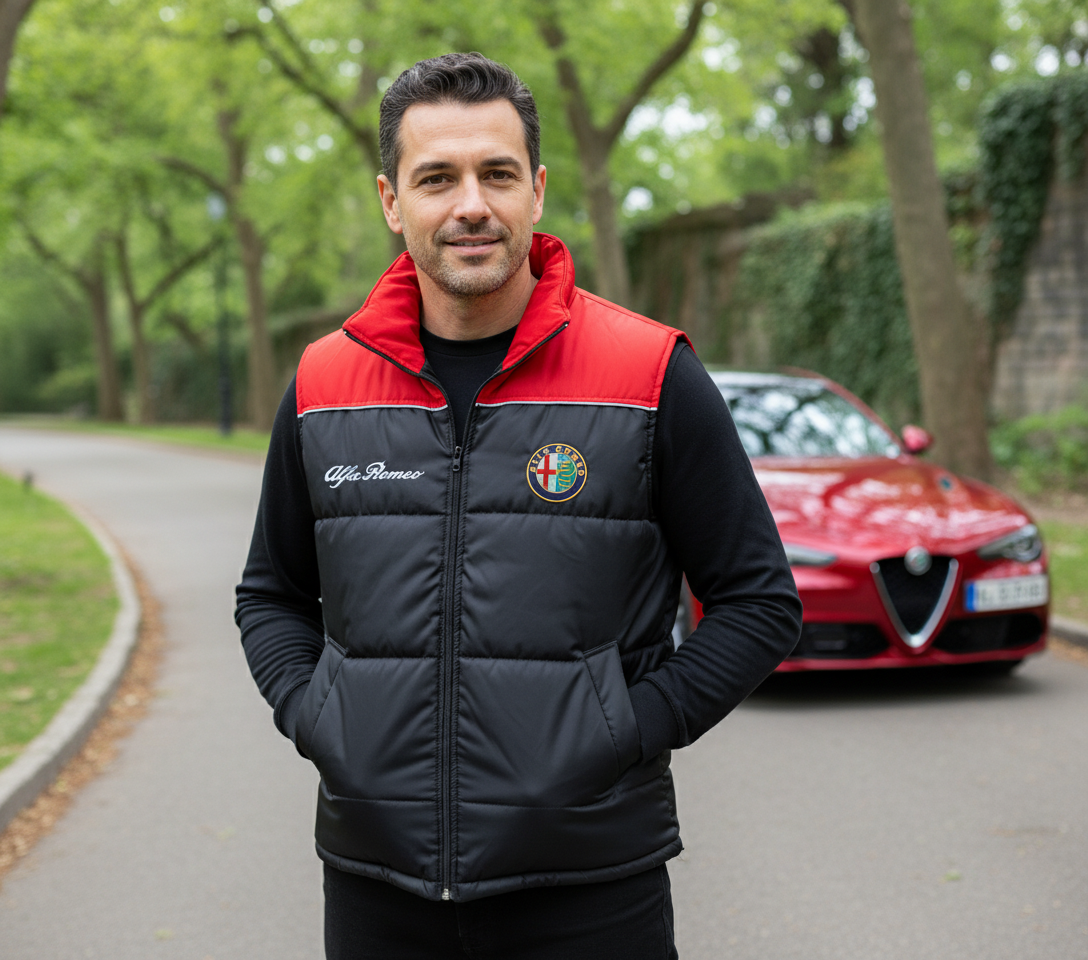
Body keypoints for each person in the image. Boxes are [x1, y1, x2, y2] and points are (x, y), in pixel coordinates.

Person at [235, 52, 802, 960]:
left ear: (536, 190)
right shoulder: (324, 383)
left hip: (593, 886)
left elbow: (759, 602)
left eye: (497, 173)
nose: (471, 204)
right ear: (391, 201)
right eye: (437, 178)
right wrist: (319, 719)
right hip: (376, 887)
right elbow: (271, 594)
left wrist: (628, 729)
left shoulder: (650, 373)